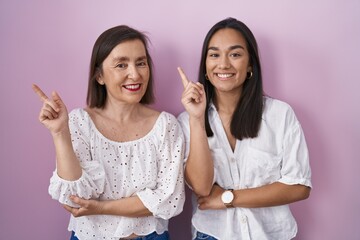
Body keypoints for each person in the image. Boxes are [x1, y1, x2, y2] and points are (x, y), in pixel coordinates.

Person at [33, 25, 185, 240]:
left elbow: (169, 199)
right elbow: (74, 197)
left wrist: (100, 208)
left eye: (141, 63)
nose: (135, 74)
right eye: (121, 65)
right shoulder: (79, 122)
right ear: (99, 76)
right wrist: (60, 132)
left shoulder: (166, 126)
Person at [177, 17, 312, 240]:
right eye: (214, 55)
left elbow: (299, 186)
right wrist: (196, 118)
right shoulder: (186, 120)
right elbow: (202, 188)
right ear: (205, 65)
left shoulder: (279, 115)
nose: (223, 64)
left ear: (250, 64)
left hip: (270, 234)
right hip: (212, 234)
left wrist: (228, 198)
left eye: (235, 54)